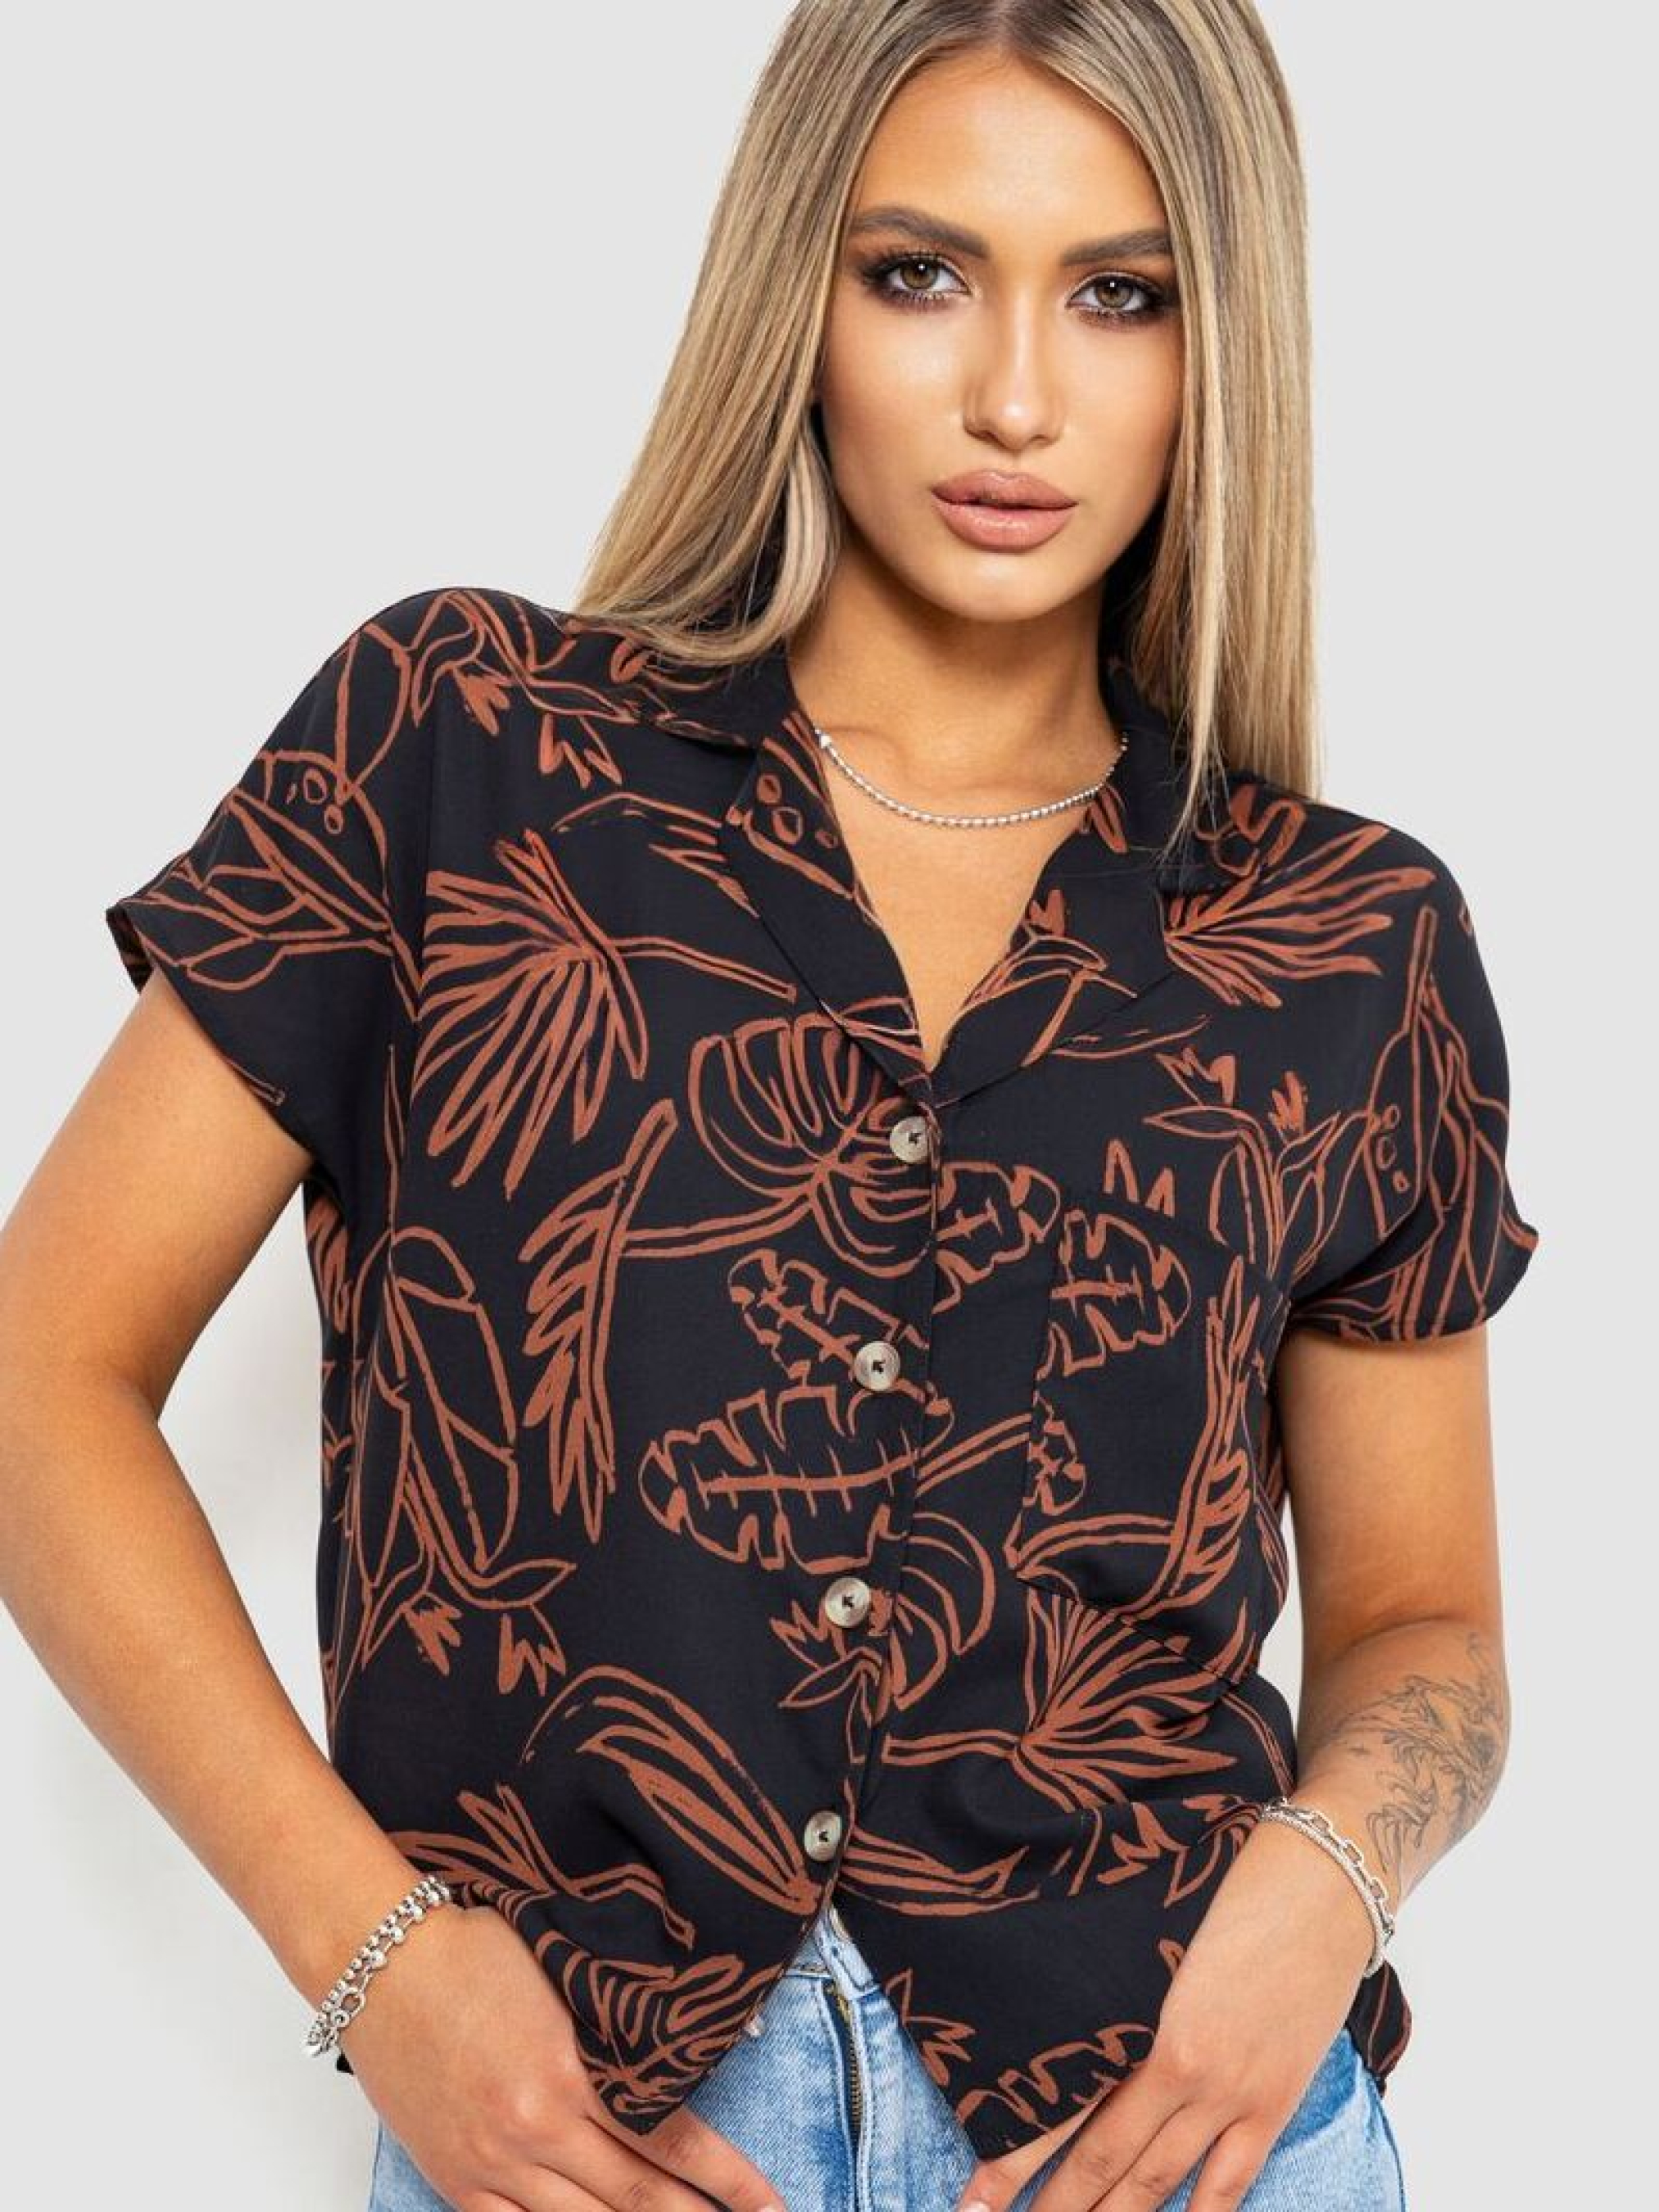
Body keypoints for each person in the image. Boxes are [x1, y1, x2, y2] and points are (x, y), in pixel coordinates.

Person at [0, 5, 1540, 2210]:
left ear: (1223, 345)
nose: (1016, 395)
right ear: (792, 298)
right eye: (919, 274)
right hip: (581, 2147)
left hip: (1182, 2134)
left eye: (1120, 295)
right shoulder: (463, 750)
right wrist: (373, 1958)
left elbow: (1427, 1622)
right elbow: (39, 1374)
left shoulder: (1346, 937)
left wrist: (1323, 1890)